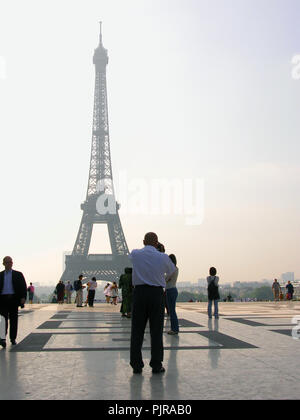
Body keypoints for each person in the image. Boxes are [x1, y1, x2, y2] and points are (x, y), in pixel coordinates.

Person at [129, 232, 176, 374]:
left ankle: (136, 365)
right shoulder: (162, 257)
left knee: (137, 331)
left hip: (139, 293)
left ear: (143, 241)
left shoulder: (135, 254)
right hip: (156, 294)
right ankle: (156, 364)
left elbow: (131, 257)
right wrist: (161, 251)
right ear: (157, 243)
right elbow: (172, 270)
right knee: (156, 331)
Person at [0, 256, 27, 348]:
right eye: (7, 262)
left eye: (10, 262)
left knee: (13, 320)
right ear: (3, 264)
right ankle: (3, 338)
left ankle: (12, 338)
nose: (8, 264)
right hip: (3, 300)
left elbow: (23, 286)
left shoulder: (18, 274)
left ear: (12, 263)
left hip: (13, 299)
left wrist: (23, 297)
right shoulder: (0, 275)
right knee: (3, 320)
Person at [165, 254, 179, 335]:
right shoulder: (175, 268)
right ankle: (174, 328)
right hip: (172, 290)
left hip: (170, 290)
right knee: (172, 311)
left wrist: (166, 278)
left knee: (172, 311)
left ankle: (174, 329)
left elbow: (165, 279)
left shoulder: (172, 269)